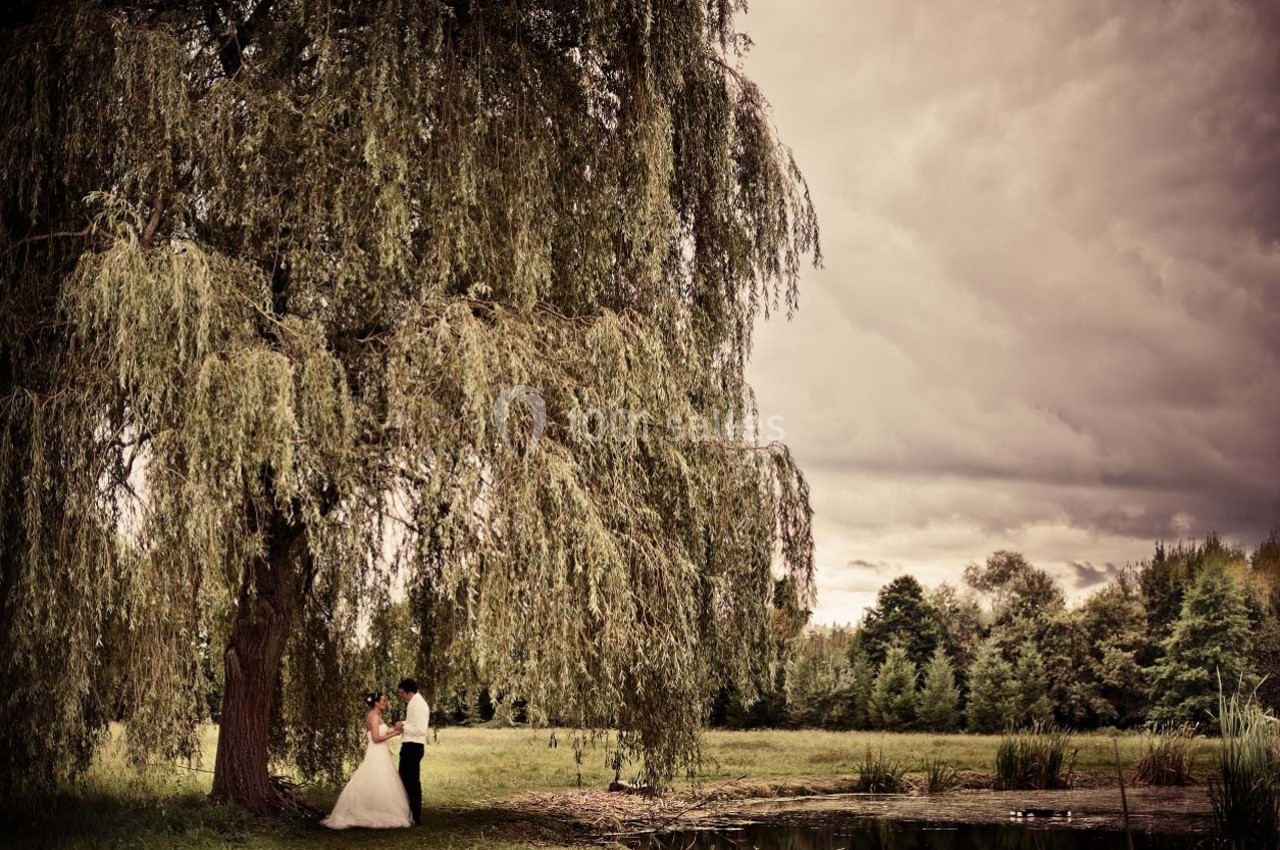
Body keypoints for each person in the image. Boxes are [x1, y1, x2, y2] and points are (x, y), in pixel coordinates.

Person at [322, 692, 413, 829]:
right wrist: (395, 733)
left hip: (381, 752)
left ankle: (378, 807)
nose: (386, 702)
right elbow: (376, 739)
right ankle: (369, 810)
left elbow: (382, 733)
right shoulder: (373, 717)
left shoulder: (377, 716)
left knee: (381, 781)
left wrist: (394, 729)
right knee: (377, 779)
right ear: (376, 703)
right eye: (383, 700)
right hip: (376, 752)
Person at [396, 677, 430, 825]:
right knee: (405, 780)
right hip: (409, 746)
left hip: (413, 746)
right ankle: (408, 813)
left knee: (412, 783)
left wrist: (403, 727)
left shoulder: (418, 705)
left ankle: (415, 816)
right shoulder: (414, 703)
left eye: (402, 693)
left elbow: (421, 730)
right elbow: (412, 723)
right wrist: (403, 723)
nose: (400, 695)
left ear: (409, 692)